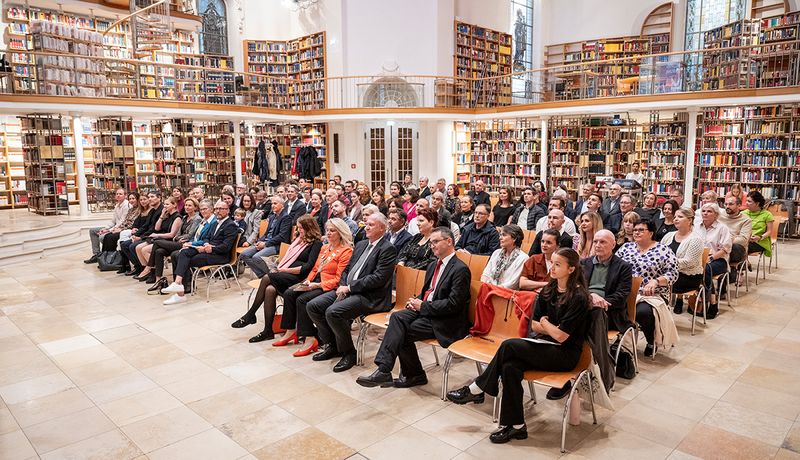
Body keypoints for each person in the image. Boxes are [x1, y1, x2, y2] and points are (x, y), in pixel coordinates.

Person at [447, 248, 590, 444]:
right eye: (552, 263)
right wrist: (550, 327)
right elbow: (534, 325)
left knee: (509, 345)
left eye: (558, 264)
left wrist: (547, 325)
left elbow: (562, 337)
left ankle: (478, 388)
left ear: (571, 269)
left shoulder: (579, 297)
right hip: (542, 345)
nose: (552, 268)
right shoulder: (548, 290)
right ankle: (515, 426)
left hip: (564, 354)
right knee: (509, 367)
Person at [356, 226, 471, 389]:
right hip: (427, 311)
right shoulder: (432, 265)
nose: (432, 246)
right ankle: (387, 370)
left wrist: (422, 305)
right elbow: (428, 293)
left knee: (401, 332)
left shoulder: (460, 269)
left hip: (445, 320)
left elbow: (454, 305)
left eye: (436, 242)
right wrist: (415, 302)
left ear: (449, 241)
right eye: (431, 243)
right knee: (397, 318)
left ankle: (411, 374)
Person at [306, 213, 398, 373]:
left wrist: (349, 288)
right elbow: (347, 269)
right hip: (348, 290)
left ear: (382, 228)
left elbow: (378, 279)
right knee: (313, 306)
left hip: (371, 296)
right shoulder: (362, 244)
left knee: (333, 312)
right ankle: (333, 345)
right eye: (366, 224)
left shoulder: (388, 249)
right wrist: (343, 285)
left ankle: (349, 353)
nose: (366, 227)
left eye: (371, 225)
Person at [232, 215, 323, 343]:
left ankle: (250, 314)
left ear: (309, 228)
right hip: (287, 275)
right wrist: (279, 266)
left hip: (300, 278)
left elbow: (307, 267)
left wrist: (283, 270)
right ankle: (267, 331)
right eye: (299, 228)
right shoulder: (299, 240)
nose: (299, 230)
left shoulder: (316, 244)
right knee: (269, 290)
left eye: (302, 228)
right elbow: (289, 258)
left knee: (267, 277)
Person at [277, 218, 354, 357]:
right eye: (327, 230)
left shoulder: (346, 251)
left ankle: (310, 338)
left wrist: (317, 285)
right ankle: (290, 330)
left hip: (328, 285)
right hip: (315, 281)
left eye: (332, 230)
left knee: (302, 299)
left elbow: (338, 279)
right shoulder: (325, 248)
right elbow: (315, 269)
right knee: (289, 293)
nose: (328, 233)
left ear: (341, 232)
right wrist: (307, 281)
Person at [616, 219, 678, 356]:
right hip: (627, 291)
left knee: (642, 312)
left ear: (650, 233)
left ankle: (651, 341)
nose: (636, 232)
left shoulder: (663, 250)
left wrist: (655, 282)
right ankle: (621, 340)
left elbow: (673, 273)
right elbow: (614, 267)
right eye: (635, 230)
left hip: (652, 294)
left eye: (641, 230)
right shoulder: (626, 248)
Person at [161, 200, 239, 305]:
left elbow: (226, 247)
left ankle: (180, 293)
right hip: (208, 250)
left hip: (220, 255)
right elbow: (206, 237)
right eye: (216, 209)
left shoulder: (230, 225)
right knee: (183, 252)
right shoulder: (215, 222)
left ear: (228, 210)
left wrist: (211, 248)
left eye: (221, 209)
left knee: (184, 259)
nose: (218, 211)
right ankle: (178, 284)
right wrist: (204, 245)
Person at [146, 198, 206, 294]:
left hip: (185, 243)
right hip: (178, 242)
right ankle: (158, 280)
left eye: (190, 205)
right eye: (186, 205)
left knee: (157, 242)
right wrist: (178, 238)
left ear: (195, 207)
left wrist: (179, 238)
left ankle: (148, 267)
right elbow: (177, 234)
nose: (187, 207)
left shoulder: (197, 218)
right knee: (159, 251)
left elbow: (190, 235)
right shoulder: (184, 217)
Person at [581, 229, 632, 333]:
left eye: (603, 242)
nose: (597, 245)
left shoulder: (623, 267)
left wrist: (600, 302)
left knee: (590, 314)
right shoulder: (583, 263)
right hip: (583, 303)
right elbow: (576, 286)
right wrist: (590, 297)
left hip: (609, 311)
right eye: (595, 241)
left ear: (613, 245)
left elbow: (621, 295)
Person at [660, 208, 705, 314]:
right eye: (675, 217)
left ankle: (661, 314)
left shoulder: (695, 239)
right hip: (670, 273)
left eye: (680, 217)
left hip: (688, 277)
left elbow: (689, 262)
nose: (675, 219)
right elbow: (659, 253)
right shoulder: (669, 235)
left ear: (690, 220)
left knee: (656, 283)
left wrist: (665, 264)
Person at [694, 202, 732, 319]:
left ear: (716, 215)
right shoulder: (695, 226)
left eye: (709, 211)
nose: (705, 213)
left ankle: (711, 303)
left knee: (706, 269)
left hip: (717, 260)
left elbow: (725, 249)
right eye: (704, 211)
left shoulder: (722, 228)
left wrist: (710, 258)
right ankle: (703, 299)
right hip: (698, 259)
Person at [133, 196, 184, 283]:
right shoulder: (167, 216)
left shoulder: (177, 217)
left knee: (145, 250)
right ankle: (150, 272)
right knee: (138, 248)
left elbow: (172, 234)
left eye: (167, 204)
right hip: (160, 238)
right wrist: (161, 216)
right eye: (164, 204)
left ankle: (150, 270)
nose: (165, 206)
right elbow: (157, 228)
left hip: (168, 241)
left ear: (174, 205)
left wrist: (157, 235)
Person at [240, 197, 292, 278]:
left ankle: (273, 276)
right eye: (272, 203)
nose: (272, 205)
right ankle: (263, 276)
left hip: (277, 245)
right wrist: (259, 241)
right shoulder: (272, 217)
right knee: (244, 255)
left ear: (282, 205)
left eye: (275, 203)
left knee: (257, 257)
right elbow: (266, 233)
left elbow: (282, 236)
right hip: (266, 242)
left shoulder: (286, 217)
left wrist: (265, 244)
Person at [120, 190, 163, 277]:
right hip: (147, 234)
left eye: (152, 197)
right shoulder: (153, 210)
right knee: (124, 244)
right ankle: (139, 267)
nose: (150, 199)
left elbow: (154, 229)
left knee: (133, 246)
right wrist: (136, 235)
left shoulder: (160, 210)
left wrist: (141, 237)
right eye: (149, 197)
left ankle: (148, 271)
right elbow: (146, 225)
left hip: (155, 236)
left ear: (159, 198)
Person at [85, 188, 131, 264]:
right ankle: (97, 254)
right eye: (117, 194)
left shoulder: (126, 205)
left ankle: (108, 256)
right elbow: (113, 220)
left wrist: (109, 230)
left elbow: (122, 222)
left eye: (120, 194)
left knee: (102, 237)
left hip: (121, 228)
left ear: (125, 196)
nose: (118, 195)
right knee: (93, 231)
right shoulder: (117, 205)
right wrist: (105, 228)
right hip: (115, 227)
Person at [480, 224, 527, 289]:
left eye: (504, 235)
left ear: (514, 238)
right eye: (500, 235)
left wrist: (494, 289)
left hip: (506, 293)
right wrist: (485, 285)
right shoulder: (496, 253)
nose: (500, 238)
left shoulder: (523, 258)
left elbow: (513, 283)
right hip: (489, 288)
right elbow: (486, 274)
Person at [718, 195, 752, 281]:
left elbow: (743, 240)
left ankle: (729, 271)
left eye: (731, 204)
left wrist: (727, 239)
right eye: (725, 204)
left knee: (734, 247)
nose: (727, 206)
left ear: (739, 205)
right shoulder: (719, 216)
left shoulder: (746, 220)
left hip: (735, 248)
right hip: (719, 245)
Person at [103, 193, 145, 258]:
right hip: (125, 228)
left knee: (111, 237)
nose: (131, 200)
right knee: (107, 236)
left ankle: (113, 259)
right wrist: (118, 228)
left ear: (137, 199)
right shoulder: (131, 209)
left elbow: (133, 224)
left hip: (131, 230)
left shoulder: (140, 210)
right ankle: (104, 258)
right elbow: (125, 221)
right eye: (130, 199)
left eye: (133, 198)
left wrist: (121, 229)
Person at [742, 190, 775, 257]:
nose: (746, 203)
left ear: (757, 203)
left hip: (760, 242)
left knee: (740, 248)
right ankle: (743, 264)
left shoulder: (767, 215)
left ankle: (743, 264)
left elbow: (769, 231)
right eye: (746, 201)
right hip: (744, 239)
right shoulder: (743, 213)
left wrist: (760, 237)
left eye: (749, 201)